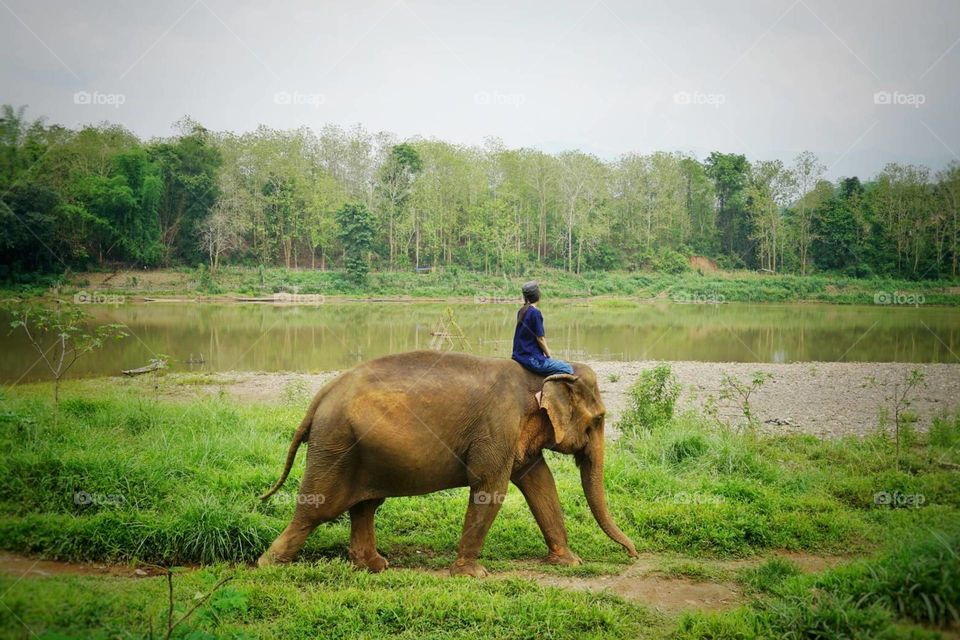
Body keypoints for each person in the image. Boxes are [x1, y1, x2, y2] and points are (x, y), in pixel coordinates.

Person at [511, 281, 575, 376]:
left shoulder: (521, 311)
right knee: (567, 368)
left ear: (525, 297)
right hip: (532, 359)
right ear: (538, 296)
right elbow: (540, 339)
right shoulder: (535, 313)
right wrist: (549, 355)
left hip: (519, 356)